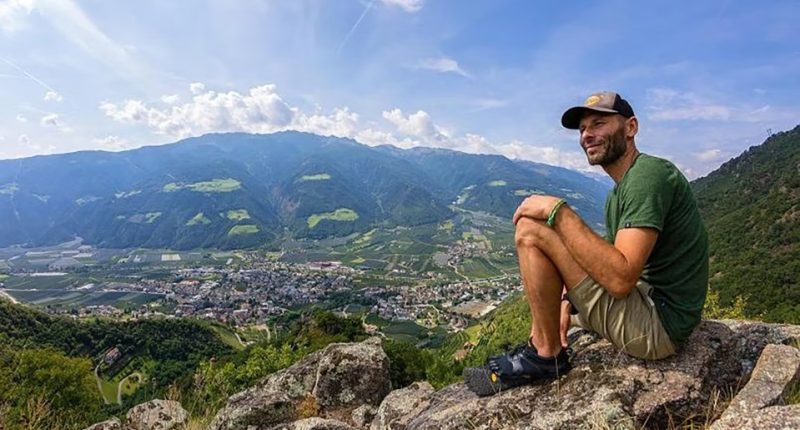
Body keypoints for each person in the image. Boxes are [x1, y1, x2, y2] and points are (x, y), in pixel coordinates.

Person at [464, 91, 709, 397]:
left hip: (658, 326)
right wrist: (567, 301)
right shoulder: (621, 191)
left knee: (530, 230)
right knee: (553, 282)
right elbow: (600, 260)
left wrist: (559, 212)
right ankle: (544, 341)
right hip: (652, 305)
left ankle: (545, 355)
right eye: (582, 129)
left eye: (598, 124)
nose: (587, 135)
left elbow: (619, 279)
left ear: (631, 127)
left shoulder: (648, 176)